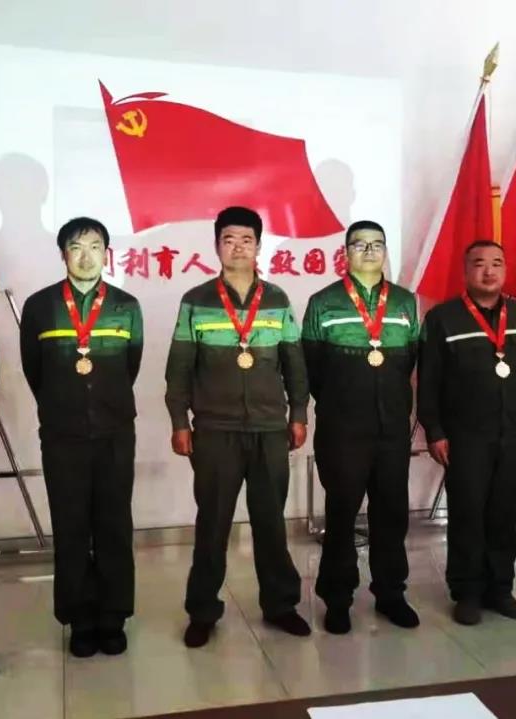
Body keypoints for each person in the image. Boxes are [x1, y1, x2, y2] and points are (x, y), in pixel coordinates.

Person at [165, 206, 310, 648]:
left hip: (269, 429)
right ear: (217, 246)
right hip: (215, 430)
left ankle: (281, 605)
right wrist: (179, 420)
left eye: (247, 240)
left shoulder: (277, 299)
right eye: (229, 240)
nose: (238, 247)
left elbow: (294, 363)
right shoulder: (196, 300)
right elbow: (179, 368)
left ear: (258, 246)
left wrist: (298, 413)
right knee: (212, 525)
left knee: (270, 523)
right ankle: (202, 611)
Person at [20, 217, 143, 658]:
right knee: (71, 526)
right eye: (76, 247)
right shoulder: (40, 306)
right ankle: (79, 618)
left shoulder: (126, 305)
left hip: (114, 432)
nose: (86, 256)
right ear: (63, 254)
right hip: (62, 434)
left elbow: (130, 366)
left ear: (106, 254)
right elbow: (34, 370)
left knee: (114, 525)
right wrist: (64, 406)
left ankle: (113, 617)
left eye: (95, 246)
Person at [301, 220, 421, 634]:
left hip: (391, 428)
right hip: (342, 429)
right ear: (345, 252)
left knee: (392, 514)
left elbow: (409, 360)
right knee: (341, 514)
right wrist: (344, 401)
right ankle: (337, 599)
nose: (369, 251)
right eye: (360, 244)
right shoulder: (323, 303)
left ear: (386, 250)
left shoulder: (405, 302)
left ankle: (391, 594)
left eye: (377, 244)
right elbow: (312, 369)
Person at [418, 240, 516, 625]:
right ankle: (467, 593)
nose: (488, 271)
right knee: (467, 514)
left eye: (496, 263)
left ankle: (500, 590)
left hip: (513, 433)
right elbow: (429, 381)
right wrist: (435, 430)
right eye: (479, 264)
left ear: (505, 269)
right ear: (465, 270)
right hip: (465, 435)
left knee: (504, 514)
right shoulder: (443, 318)